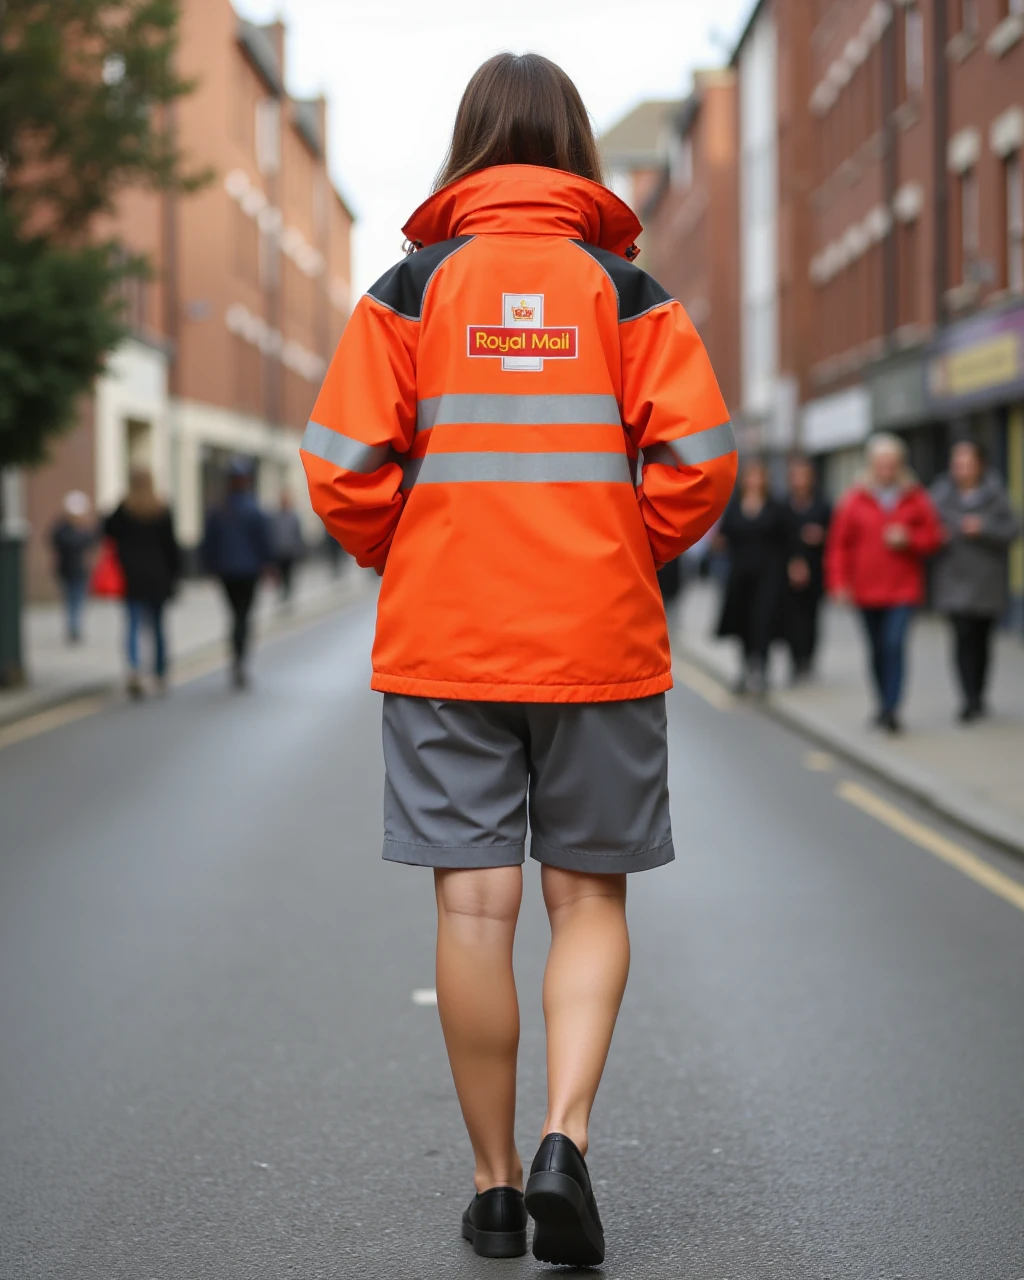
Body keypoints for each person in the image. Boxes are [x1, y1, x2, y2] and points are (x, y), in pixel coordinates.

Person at [299, 52, 737, 1267]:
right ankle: (565, 1137)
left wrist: (417, 550)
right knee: (588, 895)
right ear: (576, 150)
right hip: (598, 638)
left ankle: (494, 1189)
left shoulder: (408, 290)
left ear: (471, 146)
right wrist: (617, 548)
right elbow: (702, 461)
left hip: (446, 643)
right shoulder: (628, 290)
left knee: (474, 905)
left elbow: (339, 463)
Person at [826, 433, 943, 733]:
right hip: (866, 589)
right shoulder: (854, 499)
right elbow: (839, 545)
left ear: (900, 465)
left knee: (894, 645)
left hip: (903, 588)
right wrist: (839, 583)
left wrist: (909, 539)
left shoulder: (916, 497)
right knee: (877, 649)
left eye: (891, 464)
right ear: (871, 465)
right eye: (880, 464)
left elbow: (933, 537)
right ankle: (881, 702)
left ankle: (892, 708)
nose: (886, 471)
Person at [930, 440, 1021, 722]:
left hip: (986, 582)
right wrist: (938, 536)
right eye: (957, 463)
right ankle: (968, 698)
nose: (962, 469)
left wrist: (984, 528)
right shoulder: (940, 495)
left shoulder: (995, 494)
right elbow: (923, 529)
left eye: (967, 463)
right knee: (962, 637)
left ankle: (979, 694)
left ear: (980, 465)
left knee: (981, 641)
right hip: (954, 579)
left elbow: (1013, 529)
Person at [104, 468, 180, 698]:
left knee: (133, 626)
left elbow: (107, 532)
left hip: (132, 577)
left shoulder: (123, 510)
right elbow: (172, 549)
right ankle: (159, 672)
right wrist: (175, 578)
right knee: (157, 627)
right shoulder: (162, 509)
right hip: (158, 577)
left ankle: (134, 671)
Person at [715, 459, 788, 695]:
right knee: (743, 623)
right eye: (750, 476)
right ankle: (745, 668)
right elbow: (723, 536)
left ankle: (762, 670)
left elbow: (786, 538)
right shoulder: (735, 506)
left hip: (768, 576)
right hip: (740, 575)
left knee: (763, 621)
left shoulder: (775, 506)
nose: (754, 481)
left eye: (758, 476)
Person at [202, 460, 271, 689]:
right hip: (249, 572)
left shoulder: (218, 508)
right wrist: (268, 566)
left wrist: (211, 568)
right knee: (243, 616)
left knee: (235, 616)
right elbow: (263, 541)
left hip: (226, 572)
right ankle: (240, 660)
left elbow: (209, 544)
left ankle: (236, 658)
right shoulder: (253, 508)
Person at [782, 455, 831, 681]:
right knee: (790, 618)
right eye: (796, 476)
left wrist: (822, 537)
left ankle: (808, 659)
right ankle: (795, 659)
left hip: (816, 570)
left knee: (812, 617)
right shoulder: (783, 505)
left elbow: (835, 536)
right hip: (788, 570)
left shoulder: (822, 504)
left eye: (804, 476)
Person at [49, 490, 96, 643]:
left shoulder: (81, 529)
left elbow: (91, 542)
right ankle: (73, 627)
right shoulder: (63, 529)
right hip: (67, 569)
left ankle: (74, 627)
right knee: (71, 600)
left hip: (80, 570)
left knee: (76, 600)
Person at [269, 491, 305, 605]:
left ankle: (288, 593)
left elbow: (298, 534)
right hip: (279, 551)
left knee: (289, 574)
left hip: (290, 551)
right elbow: (272, 533)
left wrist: (299, 549)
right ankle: (282, 592)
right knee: (280, 574)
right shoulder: (276, 517)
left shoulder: (294, 517)